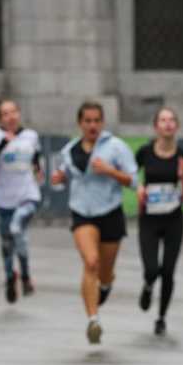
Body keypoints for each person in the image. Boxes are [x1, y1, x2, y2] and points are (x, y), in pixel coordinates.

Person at [50, 101, 138, 345]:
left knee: (105, 272)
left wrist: (110, 171)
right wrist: (58, 179)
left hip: (110, 212)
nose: (92, 125)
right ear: (80, 123)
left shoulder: (116, 147)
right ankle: (93, 321)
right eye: (87, 121)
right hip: (82, 213)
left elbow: (132, 181)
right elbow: (63, 178)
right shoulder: (70, 150)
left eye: (96, 120)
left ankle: (106, 285)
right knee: (91, 262)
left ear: (102, 122)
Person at [0, 99, 42, 303]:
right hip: (4, 200)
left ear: (19, 114)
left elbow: (35, 155)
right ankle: (11, 277)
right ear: (0, 119)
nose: (10, 117)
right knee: (10, 243)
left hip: (27, 195)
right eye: (5, 114)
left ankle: (25, 275)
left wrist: (37, 169)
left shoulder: (31, 136)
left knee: (18, 228)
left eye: (13, 112)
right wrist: (3, 144)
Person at [135, 107, 183, 336]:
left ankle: (161, 317)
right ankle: (148, 285)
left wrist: (182, 178)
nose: (167, 124)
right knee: (152, 269)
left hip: (173, 219)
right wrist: (138, 187)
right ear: (156, 126)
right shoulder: (145, 152)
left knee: (168, 270)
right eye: (163, 120)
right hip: (149, 218)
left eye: (171, 120)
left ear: (176, 126)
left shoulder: (182, 155)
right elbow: (130, 175)